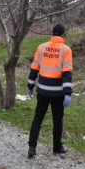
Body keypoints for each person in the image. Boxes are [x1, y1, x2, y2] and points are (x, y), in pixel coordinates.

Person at [27, 24, 73, 158]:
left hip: (42, 91)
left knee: (38, 118)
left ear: (53, 34)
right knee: (57, 120)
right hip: (57, 93)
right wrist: (67, 93)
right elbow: (66, 73)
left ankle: (32, 147)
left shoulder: (41, 47)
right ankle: (57, 147)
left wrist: (30, 86)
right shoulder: (66, 50)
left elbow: (34, 68)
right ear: (63, 35)